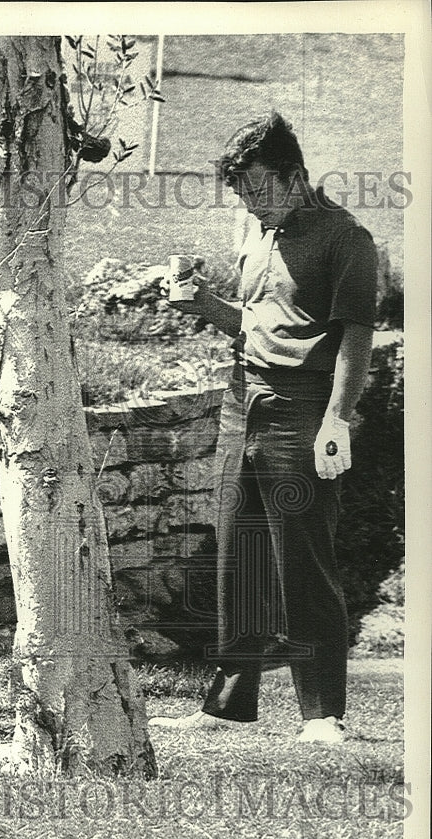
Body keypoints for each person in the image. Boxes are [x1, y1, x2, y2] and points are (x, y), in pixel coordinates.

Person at [154, 111, 378, 743]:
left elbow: (355, 339)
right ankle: (226, 704)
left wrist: (336, 420)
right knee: (239, 555)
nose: (250, 202)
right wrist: (201, 303)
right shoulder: (257, 235)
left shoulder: (345, 238)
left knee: (303, 560)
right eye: (242, 191)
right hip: (241, 403)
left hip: (304, 408)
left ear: (294, 176)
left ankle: (322, 714)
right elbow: (256, 325)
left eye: (258, 187)